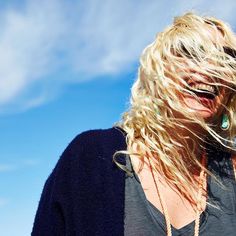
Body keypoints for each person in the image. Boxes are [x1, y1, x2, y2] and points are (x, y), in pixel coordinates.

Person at [31, 12, 236, 236]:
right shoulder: (91, 157)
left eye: (225, 59)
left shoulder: (231, 171)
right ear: (160, 71)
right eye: (194, 52)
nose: (211, 70)